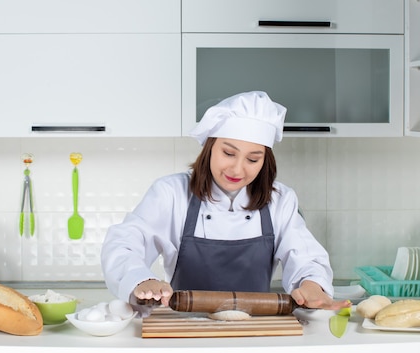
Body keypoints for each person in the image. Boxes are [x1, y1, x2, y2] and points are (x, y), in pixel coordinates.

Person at [101, 91, 350, 315]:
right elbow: (125, 242)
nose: (237, 169)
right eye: (228, 153)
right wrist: (141, 280)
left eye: (253, 159)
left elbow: (305, 254)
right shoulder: (171, 193)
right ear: (210, 147)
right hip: (185, 327)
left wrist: (312, 285)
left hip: (256, 329)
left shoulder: (280, 200)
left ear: (265, 161)